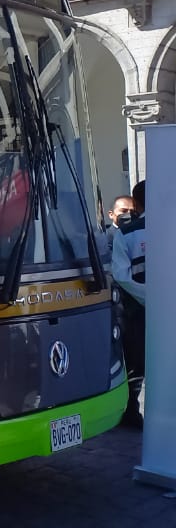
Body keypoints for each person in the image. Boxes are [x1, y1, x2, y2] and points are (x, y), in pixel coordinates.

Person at [111, 180, 146, 427]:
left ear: (136, 204)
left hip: (137, 309)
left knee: (136, 361)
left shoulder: (127, 234)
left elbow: (121, 275)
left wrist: (149, 297)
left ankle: (131, 412)